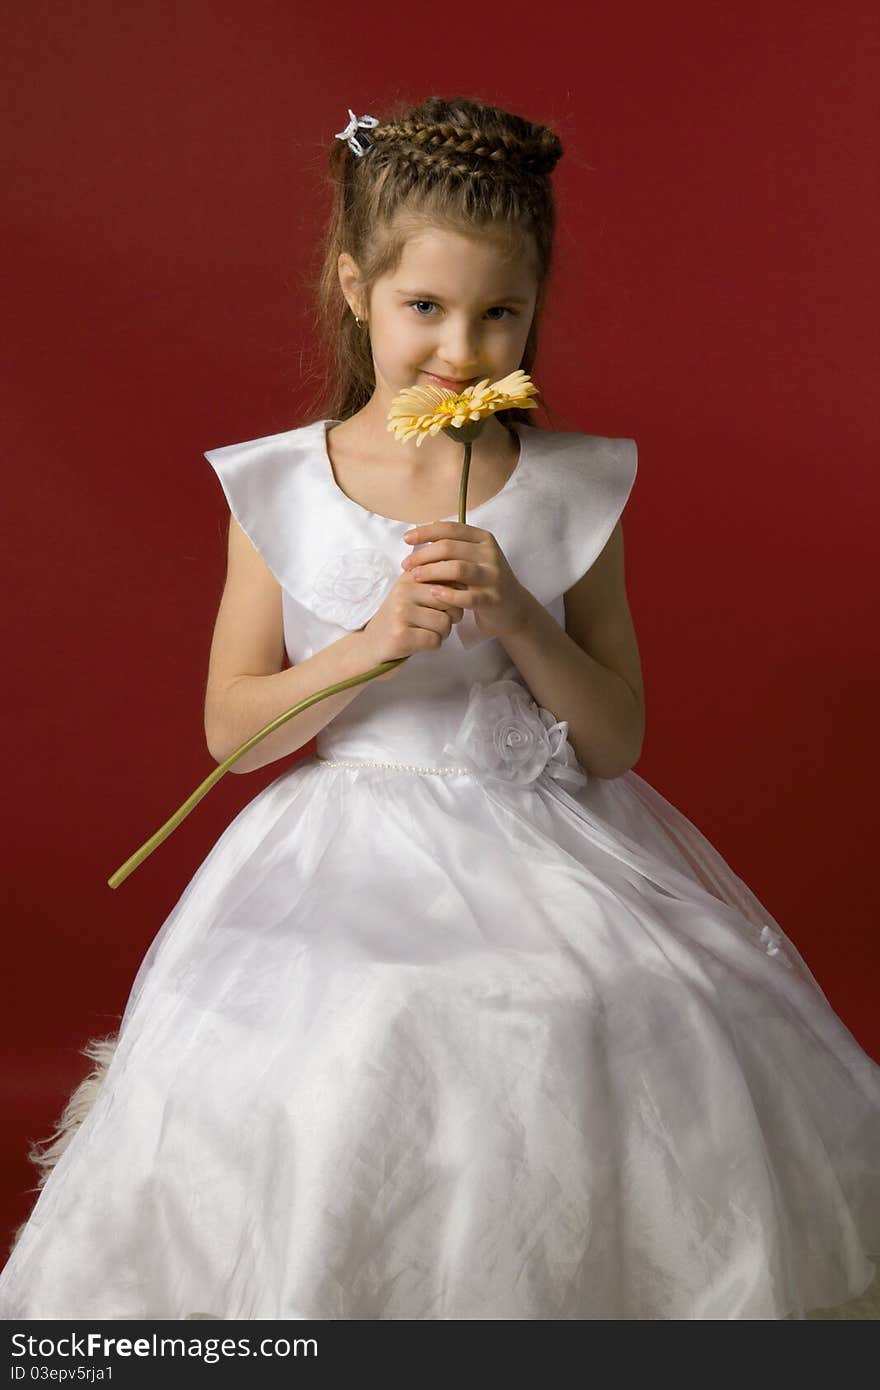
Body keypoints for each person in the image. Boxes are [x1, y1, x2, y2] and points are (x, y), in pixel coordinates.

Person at [1, 95, 878, 1322]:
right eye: (424, 307)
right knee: (362, 1023)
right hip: (344, 856)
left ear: (533, 309)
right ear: (354, 287)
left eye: (498, 313)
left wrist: (519, 613)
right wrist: (370, 644)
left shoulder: (571, 484)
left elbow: (616, 739)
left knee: (592, 1009)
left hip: (553, 848)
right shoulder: (283, 484)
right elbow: (232, 731)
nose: (460, 348)